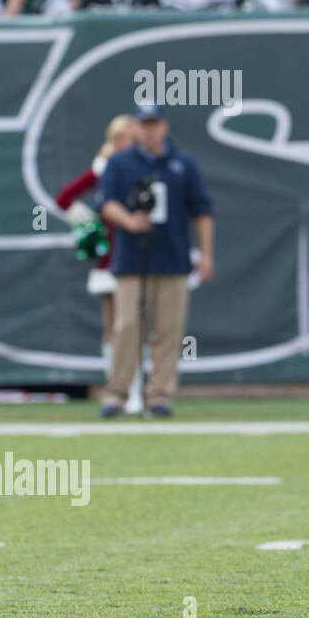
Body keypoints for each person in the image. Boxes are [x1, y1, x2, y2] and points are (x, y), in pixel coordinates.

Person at [97, 103, 215, 419]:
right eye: (144, 124)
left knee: (168, 330)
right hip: (131, 260)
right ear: (135, 127)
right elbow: (105, 203)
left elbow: (202, 210)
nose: (149, 130)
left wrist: (206, 254)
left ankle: (159, 396)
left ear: (164, 126)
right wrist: (129, 221)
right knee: (126, 328)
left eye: (154, 123)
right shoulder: (119, 163)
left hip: (173, 258)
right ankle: (116, 394)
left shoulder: (183, 164)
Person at [55, 114, 145, 414]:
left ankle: (136, 391)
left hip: (139, 252)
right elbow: (64, 198)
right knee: (114, 326)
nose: (137, 141)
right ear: (118, 140)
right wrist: (91, 225)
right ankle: (117, 388)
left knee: (134, 325)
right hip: (111, 258)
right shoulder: (104, 168)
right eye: (131, 137)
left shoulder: (145, 165)